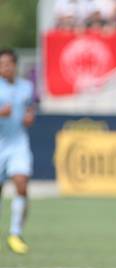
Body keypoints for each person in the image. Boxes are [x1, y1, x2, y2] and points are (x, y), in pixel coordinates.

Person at [0, 49, 36, 254]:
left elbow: (31, 107)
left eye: (8, 63)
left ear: (15, 65)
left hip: (18, 143)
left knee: (21, 184)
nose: (5, 67)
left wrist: (30, 116)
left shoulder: (26, 87)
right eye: (1, 64)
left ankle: (15, 233)